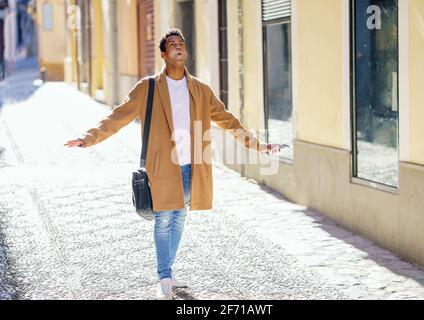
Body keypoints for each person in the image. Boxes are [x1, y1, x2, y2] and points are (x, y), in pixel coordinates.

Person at [64, 28, 282, 300]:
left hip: (193, 166)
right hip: (163, 166)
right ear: (164, 54)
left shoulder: (201, 90)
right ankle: (164, 276)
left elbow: (228, 121)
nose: (178, 47)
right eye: (172, 44)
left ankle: (167, 271)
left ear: (185, 51)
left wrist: (258, 146)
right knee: (164, 218)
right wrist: (88, 138)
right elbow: (117, 117)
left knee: (179, 217)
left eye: (181, 43)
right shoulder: (148, 87)